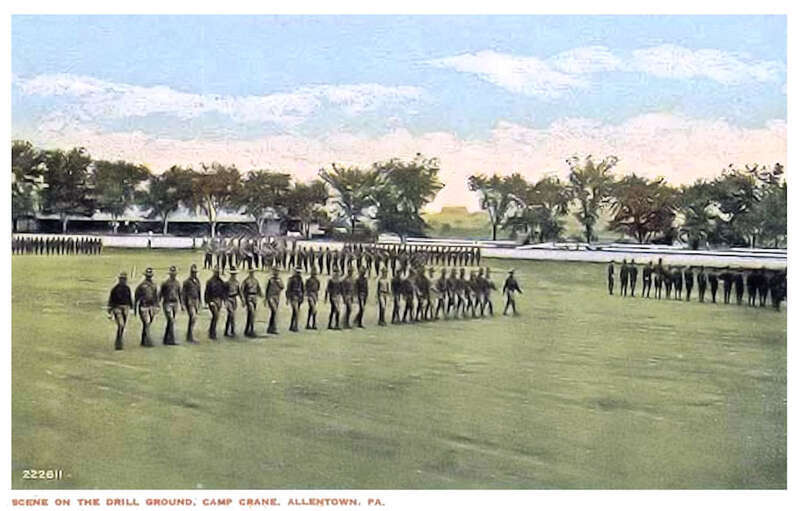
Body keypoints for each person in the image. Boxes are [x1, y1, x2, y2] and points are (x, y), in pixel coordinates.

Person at [108, 272, 134, 350]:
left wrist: (131, 308)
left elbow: (129, 298)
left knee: (123, 325)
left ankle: (120, 338)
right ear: (119, 279)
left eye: (124, 279)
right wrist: (110, 311)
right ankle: (118, 341)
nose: (123, 280)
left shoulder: (127, 288)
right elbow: (111, 300)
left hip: (126, 308)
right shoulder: (115, 289)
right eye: (122, 279)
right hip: (117, 308)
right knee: (121, 324)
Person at [134, 267, 159, 347]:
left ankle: (143, 340)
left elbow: (156, 296)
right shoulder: (141, 285)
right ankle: (148, 341)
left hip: (151, 306)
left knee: (148, 323)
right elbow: (136, 297)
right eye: (148, 276)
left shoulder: (154, 285)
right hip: (143, 306)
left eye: (150, 276)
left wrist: (157, 305)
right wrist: (135, 308)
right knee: (147, 323)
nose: (149, 277)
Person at [159, 266, 183, 345]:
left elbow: (180, 294)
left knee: (170, 322)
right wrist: (158, 303)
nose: (173, 275)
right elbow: (160, 294)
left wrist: (182, 304)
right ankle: (171, 340)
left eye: (174, 274)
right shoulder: (165, 283)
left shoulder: (177, 283)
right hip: (167, 303)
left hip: (175, 303)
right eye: (172, 274)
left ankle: (166, 338)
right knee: (171, 320)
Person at [181, 264, 202, 343]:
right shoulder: (186, 282)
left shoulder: (197, 281)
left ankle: (189, 335)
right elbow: (183, 294)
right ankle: (191, 336)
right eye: (193, 272)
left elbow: (199, 292)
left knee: (193, 319)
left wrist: (200, 302)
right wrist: (183, 304)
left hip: (196, 300)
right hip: (190, 301)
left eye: (195, 272)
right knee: (193, 317)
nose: (194, 274)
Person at [204, 267, 226, 340]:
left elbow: (224, 290)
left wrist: (223, 299)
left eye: (218, 272)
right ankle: (212, 332)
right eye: (216, 272)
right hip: (212, 300)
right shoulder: (210, 282)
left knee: (216, 317)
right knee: (216, 315)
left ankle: (212, 330)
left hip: (219, 300)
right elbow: (207, 293)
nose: (217, 273)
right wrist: (209, 301)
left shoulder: (221, 281)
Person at [242, 268, 263, 337]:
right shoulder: (246, 281)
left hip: (255, 298)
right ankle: (251, 330)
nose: (252, 273)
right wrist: (244, 300)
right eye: (251, 272)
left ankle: (247, 330)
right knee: (252, 313)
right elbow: (242, 290)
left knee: (250, 315)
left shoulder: (255, 280)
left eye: (253, 272)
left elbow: (258, 289)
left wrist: (261, 295)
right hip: (249, 297)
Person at [285, 267, 304, 333]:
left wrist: (302, 297)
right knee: (296, 311)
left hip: (298, 297)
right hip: (293, 297)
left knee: (295, 312)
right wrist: (287, 298)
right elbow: (288, 289)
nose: (299, 274)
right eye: (297, 272)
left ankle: (291, 326)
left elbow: (302, 289)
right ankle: (295, 326)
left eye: (299, 272)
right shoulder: (291, 279)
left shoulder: (300, 280)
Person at [224, 267, 241, 337]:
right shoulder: (227, 283)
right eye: (232, 274)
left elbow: (239, 292)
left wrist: (242, 299)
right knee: (232, 314)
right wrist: (225, 301)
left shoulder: (237, 282)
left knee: (230, 316)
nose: (233, 276)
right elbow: (224, 293)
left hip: (234, 299)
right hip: (229, 299)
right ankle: (232, 331)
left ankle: (226, 330)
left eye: (234, 274)